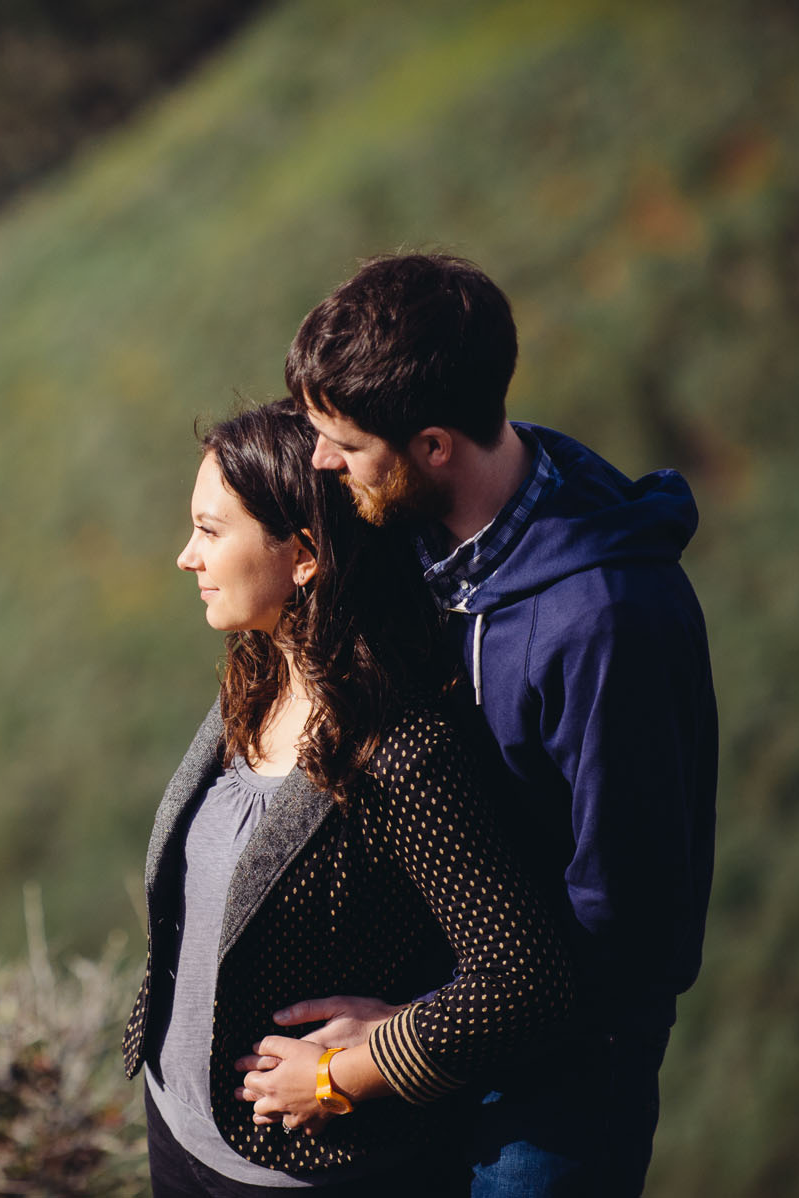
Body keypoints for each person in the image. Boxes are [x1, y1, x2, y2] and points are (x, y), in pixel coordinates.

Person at [268, 253, 718, 1196]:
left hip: (557, 1088)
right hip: (437, 1017)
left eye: (343, 444)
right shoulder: (413, 529)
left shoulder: (606, 624)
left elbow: (632, 937)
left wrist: (385, 1051)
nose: (319, 462)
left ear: (434, 446)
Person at [123, 400, 573, 1197]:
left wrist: (353, 1070)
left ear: (303, 557)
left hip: (299, 1173)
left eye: (211, 530)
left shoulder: (398, 749)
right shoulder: (254, 680)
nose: (187, 557)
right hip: (179, 1133)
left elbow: (525, 978)